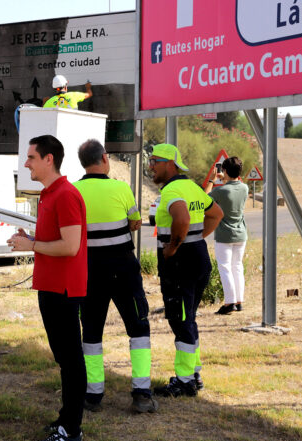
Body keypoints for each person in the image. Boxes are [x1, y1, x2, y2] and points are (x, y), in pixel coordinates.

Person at [7, 134, 88, 441]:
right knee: (65, 359)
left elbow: (70, 246)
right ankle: (67, 419)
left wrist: (31, 245)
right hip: (51, 287)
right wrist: (32, 238)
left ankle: (72, 432)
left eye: (30, 157)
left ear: (48, 159)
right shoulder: (50, 194)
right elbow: (58, 239)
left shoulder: (66, 194)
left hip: (64, 289)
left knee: (71, 360)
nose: (26, 163)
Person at [72, 140, 157, 414]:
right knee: (138, 327)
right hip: (123, 269)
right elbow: (134, 222)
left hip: (89, 271)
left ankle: (93, 394)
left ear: (82, 162)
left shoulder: (73, 191)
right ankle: (142, 393)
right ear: (105, 159)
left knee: (92, 332)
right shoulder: (122, 189)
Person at [148, 143, 223, 397]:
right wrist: (196, 238)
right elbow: (216, 214)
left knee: (180, 320)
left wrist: (174, 246)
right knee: (188, 317)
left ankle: (184, 380)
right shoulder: (192, 187)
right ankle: (193, 373)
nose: (150, 166)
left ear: (170, 164)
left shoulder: (172, 191)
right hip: (198, 258)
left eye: (154, 161)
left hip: (179, 265)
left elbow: (181, 218)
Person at [204, 157, 249, 315]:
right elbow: (236, 184)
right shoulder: (244, 188)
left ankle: (229, 302)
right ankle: (239, 301)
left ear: (225, 171)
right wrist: (226, 177)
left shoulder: (220, 191)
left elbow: (205, 198)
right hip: (241, 233)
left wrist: (212, 180)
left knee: (225, 267)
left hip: (225, 234)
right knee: (237, 266)